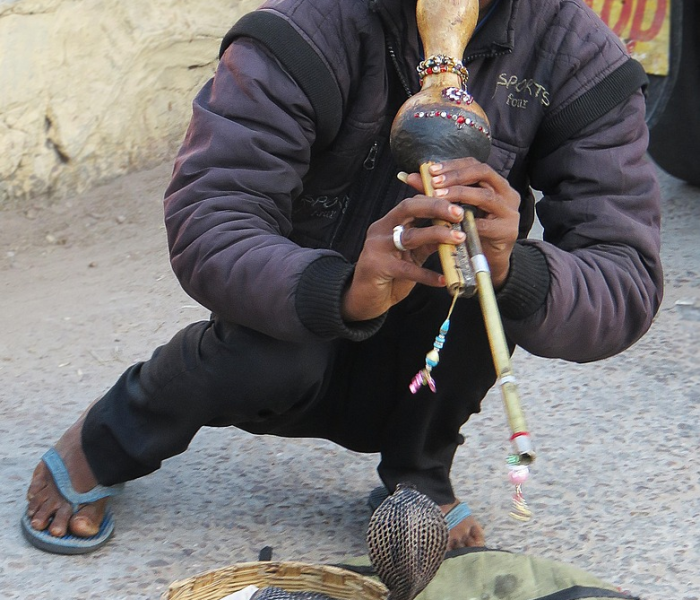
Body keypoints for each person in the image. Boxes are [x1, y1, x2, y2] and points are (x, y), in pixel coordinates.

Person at [22, 0, 663, 555]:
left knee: (474, 285)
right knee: (270, 360)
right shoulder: (304, 28)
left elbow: (625, 275)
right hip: (298, 301)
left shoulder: (577, 55)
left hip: (434, 312)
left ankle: (419, 471)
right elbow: (211, 218)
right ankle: (110, 435)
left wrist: (510, 267)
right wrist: (345, 291)